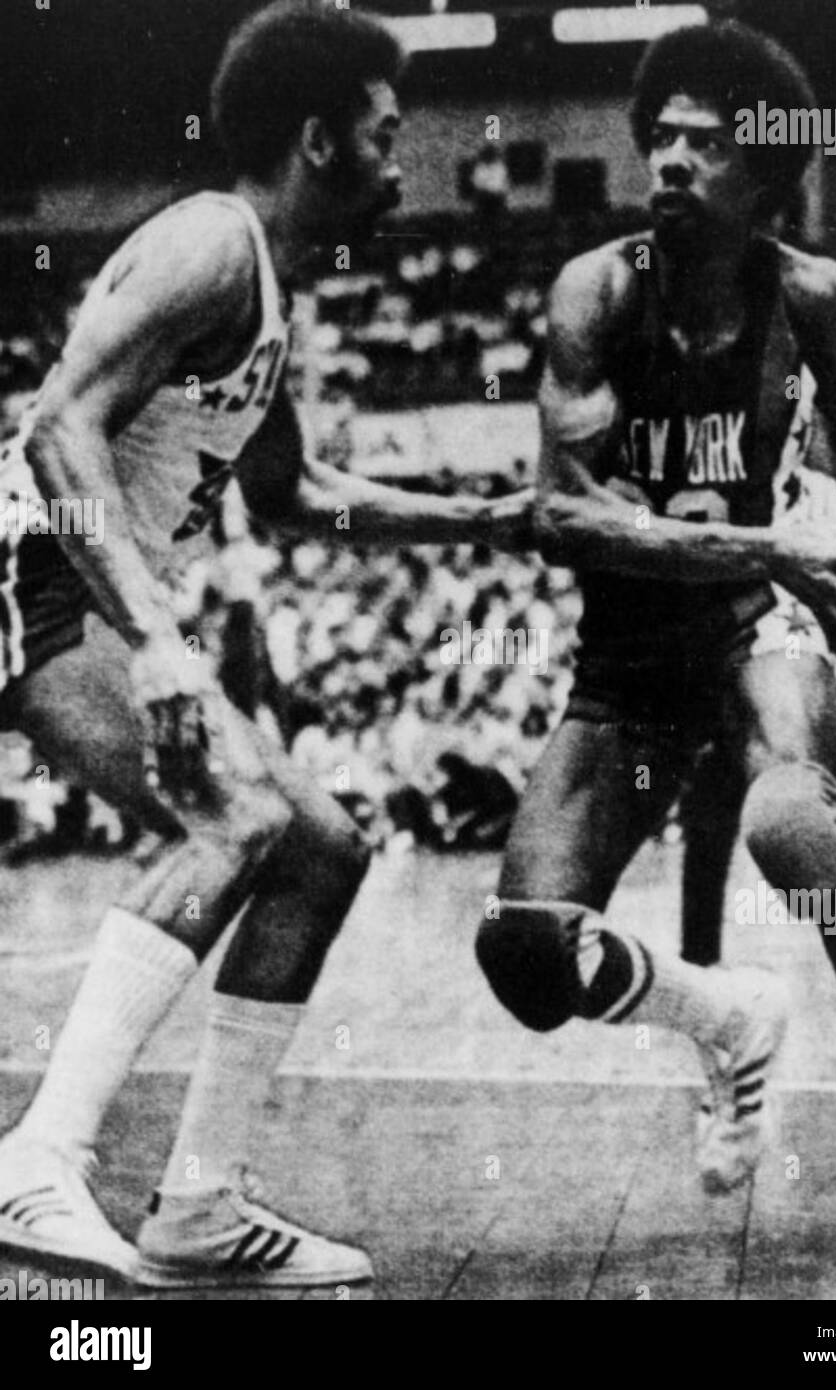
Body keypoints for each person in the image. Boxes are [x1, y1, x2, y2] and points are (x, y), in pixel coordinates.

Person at [0, 1, 528, 1289]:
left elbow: (294, 493)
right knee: (237, 817)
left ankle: (198, 1204)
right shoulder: (206, 243)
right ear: (318, 140)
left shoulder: (273, 291)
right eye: (387, 136)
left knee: (320, 846)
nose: (407, 166)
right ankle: (35, 1166)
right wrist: (162, 640)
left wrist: (485, 517)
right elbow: (56, 431)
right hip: (37, 575)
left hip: (77, 591)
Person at [475, 19, 836, 1287]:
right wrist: (770, 547)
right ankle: (725, 1015)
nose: (672, 159)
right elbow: (564, 514)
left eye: (707, 144)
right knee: (526, 951)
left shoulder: (821, 298)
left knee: (792, 829)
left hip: (771, 621)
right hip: (631, 646)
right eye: (662, 136)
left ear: (766, 177)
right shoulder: (596, 291)